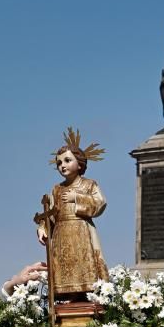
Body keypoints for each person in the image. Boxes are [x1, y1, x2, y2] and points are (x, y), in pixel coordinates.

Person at [37, 128, 108, 301]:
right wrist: (43, 227)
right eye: (59, 163)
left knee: (83, 265)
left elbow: (100, 203)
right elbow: (51, 213)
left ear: (80, 163)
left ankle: (84, 297)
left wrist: (77, 197)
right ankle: (68, 297)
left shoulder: (89, 185)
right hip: (61, 234)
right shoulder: (57, 189)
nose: (63, 165)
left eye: (67, 160)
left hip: (82, 232)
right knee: (64, 268)